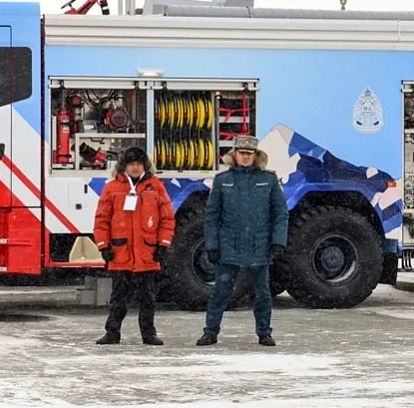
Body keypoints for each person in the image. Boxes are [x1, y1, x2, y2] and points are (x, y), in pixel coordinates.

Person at [197, 135, 290, 347]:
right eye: (242, 153)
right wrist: (211, 245)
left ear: (255, 156)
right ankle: (210, 332)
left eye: (249, 154)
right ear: (234, 155)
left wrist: (278, 242)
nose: (246, 157)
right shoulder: (222, 181)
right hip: (229, 247)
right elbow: (212, 217)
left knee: (263, 294)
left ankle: (264, 333)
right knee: (220, 292)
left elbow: (280, 214)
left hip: (260, 247)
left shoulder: (269, 180)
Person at [92, 146, 175, 346]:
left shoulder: (156, 186)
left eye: (139, 164)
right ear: (124, 166)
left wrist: (163, 245)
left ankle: (149, 334)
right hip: (121, 253)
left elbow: (167, 219)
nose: (135, 168)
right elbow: (101, 219)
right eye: (131, 164)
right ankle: (112, 333)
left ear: (144, 165)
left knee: (148, 298)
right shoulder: (112, 187)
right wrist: (103, 246)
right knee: (118, 298)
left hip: (148, 253)